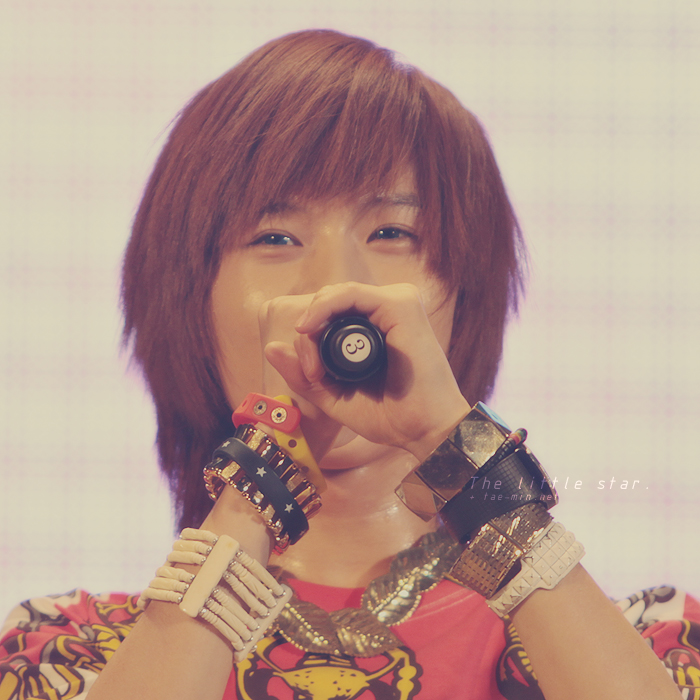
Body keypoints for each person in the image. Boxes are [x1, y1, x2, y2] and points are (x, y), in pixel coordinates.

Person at [0, 29, 697, 700]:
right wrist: (264, 473)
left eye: (392, 232)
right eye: (275, 237)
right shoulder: (66, 651)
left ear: (468, 291)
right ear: (187, 298)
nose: (336, 286)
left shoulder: (647, 644)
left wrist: (455, 449)